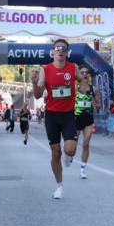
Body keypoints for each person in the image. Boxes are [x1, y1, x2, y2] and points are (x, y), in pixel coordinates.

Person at [31, 38, 79, 199]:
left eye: (63, 48)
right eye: (57, 48)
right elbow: (38, 95)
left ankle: (69, 154)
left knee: (70, 149)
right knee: (55, 152)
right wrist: (34, 82)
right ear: (53, 52)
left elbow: (83, 84)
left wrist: (85, 87)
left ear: (67, 52)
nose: (60, 50)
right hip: (51, 114)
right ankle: (59, 186)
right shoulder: (46, 69)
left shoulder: (73, 68)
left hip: (68, 114)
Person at [74, 65, 100, 179]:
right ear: (79, 74)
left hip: (88, 120)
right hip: (76, 119)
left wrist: (96, 105)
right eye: (82, 72)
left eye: (86, 72)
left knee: (86, 144)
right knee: (72, 146)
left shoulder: (93, 89)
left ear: (89, 75)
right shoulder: (74, 88)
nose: (84, 74)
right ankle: (70, 156)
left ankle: (82, 169)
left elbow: (99, 104)